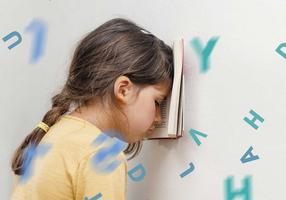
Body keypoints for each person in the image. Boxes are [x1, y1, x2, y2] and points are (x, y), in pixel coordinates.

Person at [10, 17, 174, 200]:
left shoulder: (53, 135)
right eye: (158, 102)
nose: (159, 118)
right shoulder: (101, 155)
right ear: (124, 90)